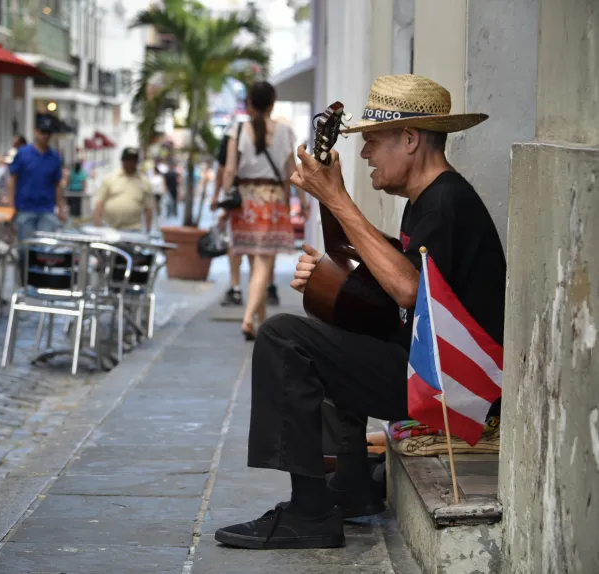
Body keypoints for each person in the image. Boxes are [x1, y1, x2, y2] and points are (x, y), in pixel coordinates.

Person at [214, 74, 506, 550]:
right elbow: (395, 278)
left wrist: (338, 200)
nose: (366, 153)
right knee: (330, 318)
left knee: (282, 336)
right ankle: (349, 484)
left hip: (456, 387)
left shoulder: (447, 203)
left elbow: (410, 290)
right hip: (428, 369)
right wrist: (334, 275)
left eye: (372, 141)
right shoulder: (426, 202)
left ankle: (308, 513)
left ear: (410, 139)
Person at [220, 82, 300, 341]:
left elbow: (230, 170)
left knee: (257, 266)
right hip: (272, 200)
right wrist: (298, 203)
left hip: (244, 201)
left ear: (249, 104)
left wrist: (224, 200)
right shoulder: (285, 132)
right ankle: (248, 319)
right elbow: (291, 173)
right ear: (273, 103)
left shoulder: (237, 129)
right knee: (263, 264)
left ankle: (261, 323)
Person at [8, 115, 66, 280]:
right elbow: (12, 180)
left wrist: (61, 208)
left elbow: (58, 185)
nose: (45, 136)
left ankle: (39, 282)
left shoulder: (54, 157)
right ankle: (24, 283)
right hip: (25, 208)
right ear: (36, 132)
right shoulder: (23, 154)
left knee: (44, 250)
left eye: (48, 132)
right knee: (24, 250)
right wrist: (12, 206)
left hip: (46, 210)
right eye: (42, 132)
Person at [92, 148, 154, 232]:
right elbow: (99, 203)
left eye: (133, 160)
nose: (130, 163)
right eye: (127, 159)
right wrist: (97, 227)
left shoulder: (144, 181)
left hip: (134, 229)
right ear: (122, 160)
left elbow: (149, 208)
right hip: (109, 228)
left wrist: (148, 231)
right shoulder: (110, 178)